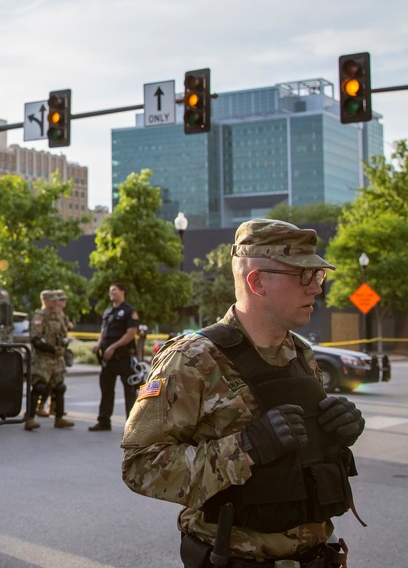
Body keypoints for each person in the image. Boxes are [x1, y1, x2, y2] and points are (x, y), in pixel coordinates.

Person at [122, 219, 364, 567]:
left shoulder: (301, 353)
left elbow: (298, 460)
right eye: (303, 276)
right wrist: (245, 449)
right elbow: (139, 466)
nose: (316, 289)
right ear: (257, 281)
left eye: (318, 276)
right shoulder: (193, 358)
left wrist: (335, 435)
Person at [89, 283, 139, 431]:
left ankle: (132, 425)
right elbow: (103, 330)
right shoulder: (108, 311)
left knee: (129, 391)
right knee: (106, 390)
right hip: (108, 359)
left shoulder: (130, 311)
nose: (111, 293)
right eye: (110, 291)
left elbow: (131, 333)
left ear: (122, 291)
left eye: (114, 290)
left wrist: (113, 347)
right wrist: (99, 345)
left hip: (123, 357)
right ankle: (104, 421)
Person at [26, 291, 74, 430]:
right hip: (42, 359)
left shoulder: (58, 316)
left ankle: (59, 418)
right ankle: (29, 419)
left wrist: (63, 346)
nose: (56, 303)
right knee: (39, 387)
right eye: (53, 301)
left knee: (60, 387)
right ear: (45, 301)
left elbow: (64, 334)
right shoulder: (39, 316)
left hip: (56, 359)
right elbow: (35, 339)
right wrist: (52, 349)